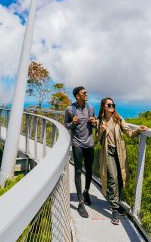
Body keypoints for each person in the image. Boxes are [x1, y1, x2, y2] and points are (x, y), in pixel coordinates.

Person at [96, 97, 148, 225]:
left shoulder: (118, 119)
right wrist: (101, 131)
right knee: (113, 178)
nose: (112, 106)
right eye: (109, 105)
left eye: (113, 104)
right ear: (104, 107)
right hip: (107, 152)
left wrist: (138, 130)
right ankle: (114, 209)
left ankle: (115, 201)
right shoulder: (100, 121)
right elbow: (96, 139)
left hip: (119, 152)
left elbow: (129, 133)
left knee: (120, 179)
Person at [64, 86, 97, 218]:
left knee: (89, 170)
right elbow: (66, 125)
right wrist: (72, 123)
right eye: (84, 93)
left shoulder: (91, 108)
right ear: (78, 96)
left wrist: (94, 122)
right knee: (78, 171)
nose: (86, 94)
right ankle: (80, 202)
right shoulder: (69, 109)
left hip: (89, 144)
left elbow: (94, 123)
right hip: (77, 144)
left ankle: (86, 191)